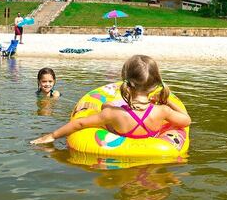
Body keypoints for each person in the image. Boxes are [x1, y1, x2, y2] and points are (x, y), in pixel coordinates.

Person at [30, 55, 190, 145]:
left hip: (120, 128)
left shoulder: (112, 114)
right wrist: (167, 100)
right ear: (154, 83)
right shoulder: (163, 111)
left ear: (126, 80)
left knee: (107, 106)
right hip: (150, 138)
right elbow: (186, 121)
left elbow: (79, 124)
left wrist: (52, 136)